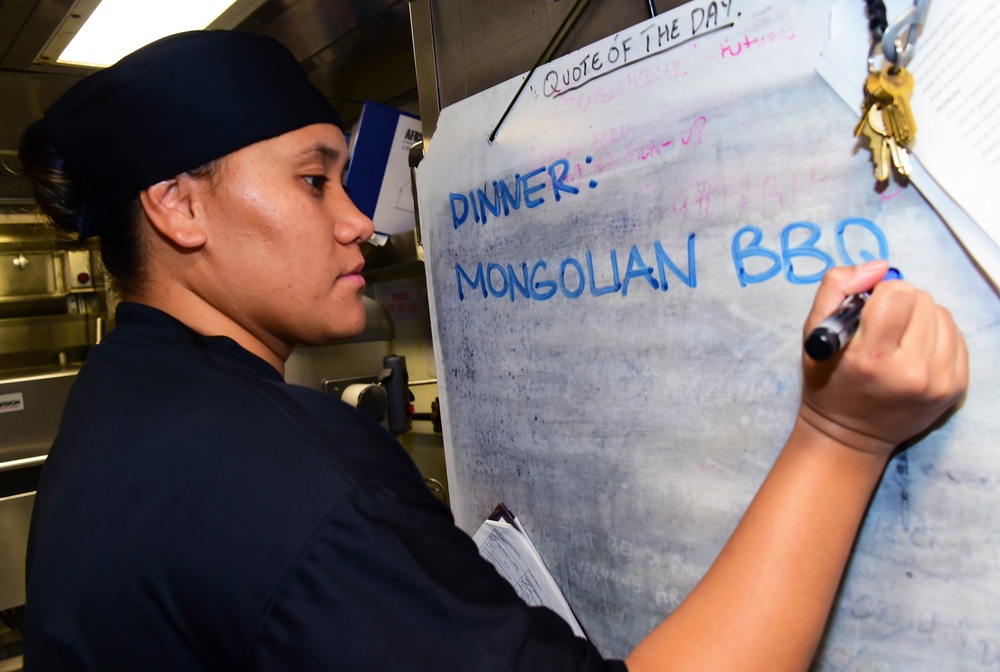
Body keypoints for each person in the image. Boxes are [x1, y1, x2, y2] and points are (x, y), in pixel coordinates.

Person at [17, 30, 967, 672]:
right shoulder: (287, 481)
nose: (362, 224)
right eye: (315, 181)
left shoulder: (123, 401)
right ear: (179, 206)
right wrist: (841, 436)